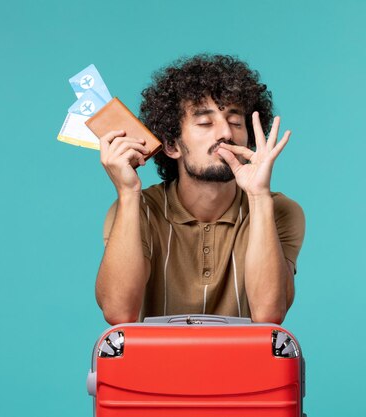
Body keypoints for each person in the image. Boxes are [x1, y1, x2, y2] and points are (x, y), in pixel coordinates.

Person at [95, 54, 305, 325]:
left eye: (236, 122)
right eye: (206, 123)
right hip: (154, 366)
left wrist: (258, 196)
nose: (226, 133)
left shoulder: (279, 211)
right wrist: (127, 194)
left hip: (245, 367)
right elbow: (119, 313)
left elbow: (268, 315)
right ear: (172, 146)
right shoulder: (135, 210)